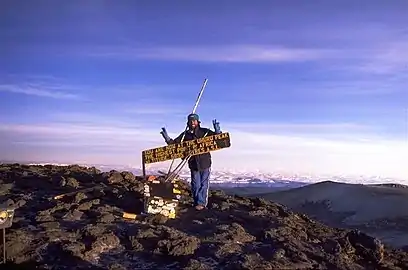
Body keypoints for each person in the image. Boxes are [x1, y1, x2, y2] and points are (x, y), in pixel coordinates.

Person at [160, 113, 222, 210]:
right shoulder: (185, 135)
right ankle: (196, 202)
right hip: (193, 163)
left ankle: (201, 204)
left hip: (205, 162)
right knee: (195, 184)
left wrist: (218, 131)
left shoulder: (204, 132)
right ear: (188, 122)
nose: (193, 122)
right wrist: (167, 138)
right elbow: (174, 146)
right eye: (191, 120)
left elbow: (218, 140)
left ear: (198, 122)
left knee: (203, 185)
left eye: (194, 120)